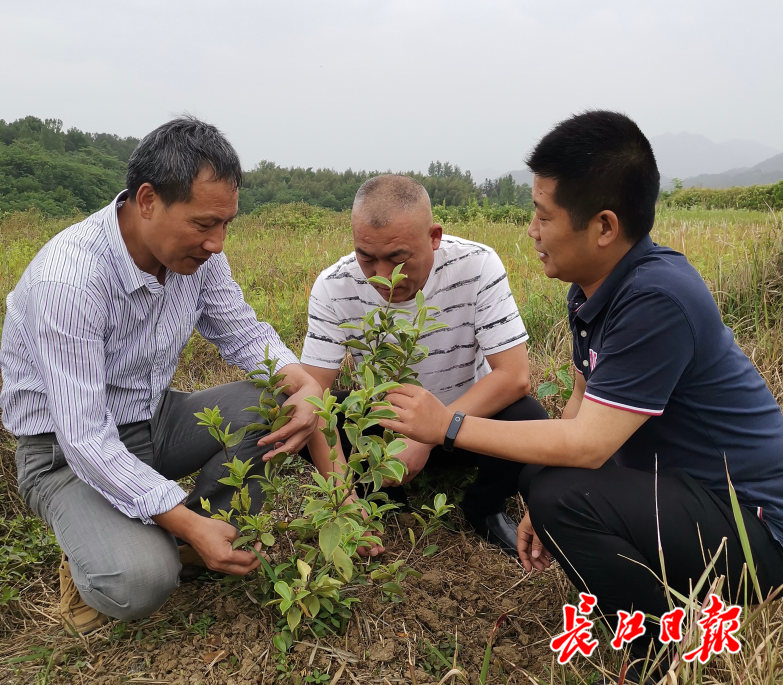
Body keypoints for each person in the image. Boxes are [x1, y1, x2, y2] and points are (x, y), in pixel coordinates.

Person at [375, 112, 783, 679]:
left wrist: (447, 425)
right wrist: (545, 504)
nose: (532, 230)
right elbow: (579, 407)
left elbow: (588, 445)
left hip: (754, 528)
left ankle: (657, 648)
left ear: (605, 226)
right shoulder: (595, 290)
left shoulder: (657, 299)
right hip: (688, 496)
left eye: (544, 215)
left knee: (560, 487)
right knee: (544, 481)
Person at [0, 117, 322, 633]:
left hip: (154, 419)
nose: (216, 243)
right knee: (142, 581)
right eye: (203, 225)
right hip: (64, 454)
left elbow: (242, 331)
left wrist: (301, 381)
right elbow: (85, 437)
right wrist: (188, 520)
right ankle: (118, 554)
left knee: (271, 403)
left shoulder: (198, 257)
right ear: (147, 200)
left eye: (225, 226)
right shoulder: (72, 278)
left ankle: (178, 540)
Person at [297, 174, 548, 553]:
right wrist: (341, 501)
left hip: (465, 425)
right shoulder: (334, 286)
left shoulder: (476, 265)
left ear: (434, 237)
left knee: (528, 417)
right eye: (367, 257)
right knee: (308, 416)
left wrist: (429, 435)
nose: (383, 276)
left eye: (398, 258)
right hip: (383, 428)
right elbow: (315, 397)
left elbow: (514, 377)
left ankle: (484, 508)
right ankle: (377, 499)